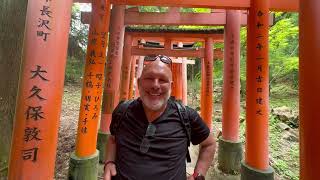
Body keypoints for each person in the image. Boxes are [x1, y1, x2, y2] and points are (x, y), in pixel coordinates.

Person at [103, 55, 216, 180]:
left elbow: (209, 144)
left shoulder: (186, 116)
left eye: (162, 80)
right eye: (149, 78)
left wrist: (198, 175)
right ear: (139, 82)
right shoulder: (122, 111)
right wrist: (109, 162)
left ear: (171, 86)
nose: (155, 85)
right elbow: (113, 139)